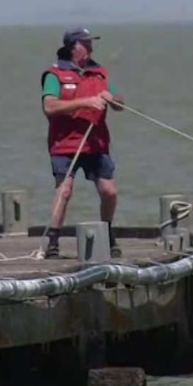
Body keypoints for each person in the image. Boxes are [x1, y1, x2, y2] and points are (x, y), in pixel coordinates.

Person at [41, 27, 124, 259]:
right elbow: (49, 106)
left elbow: (120, 103)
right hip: (65, 144)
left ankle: (108, 234)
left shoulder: (99, 72)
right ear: (72, 46)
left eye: (91, 43)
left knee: (109, 191)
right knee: (64, 190)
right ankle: (53, 241)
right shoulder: (54, 74)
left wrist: (112, 98)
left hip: (96, 143)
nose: (91, 48)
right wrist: (84, 102)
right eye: (86, 43)